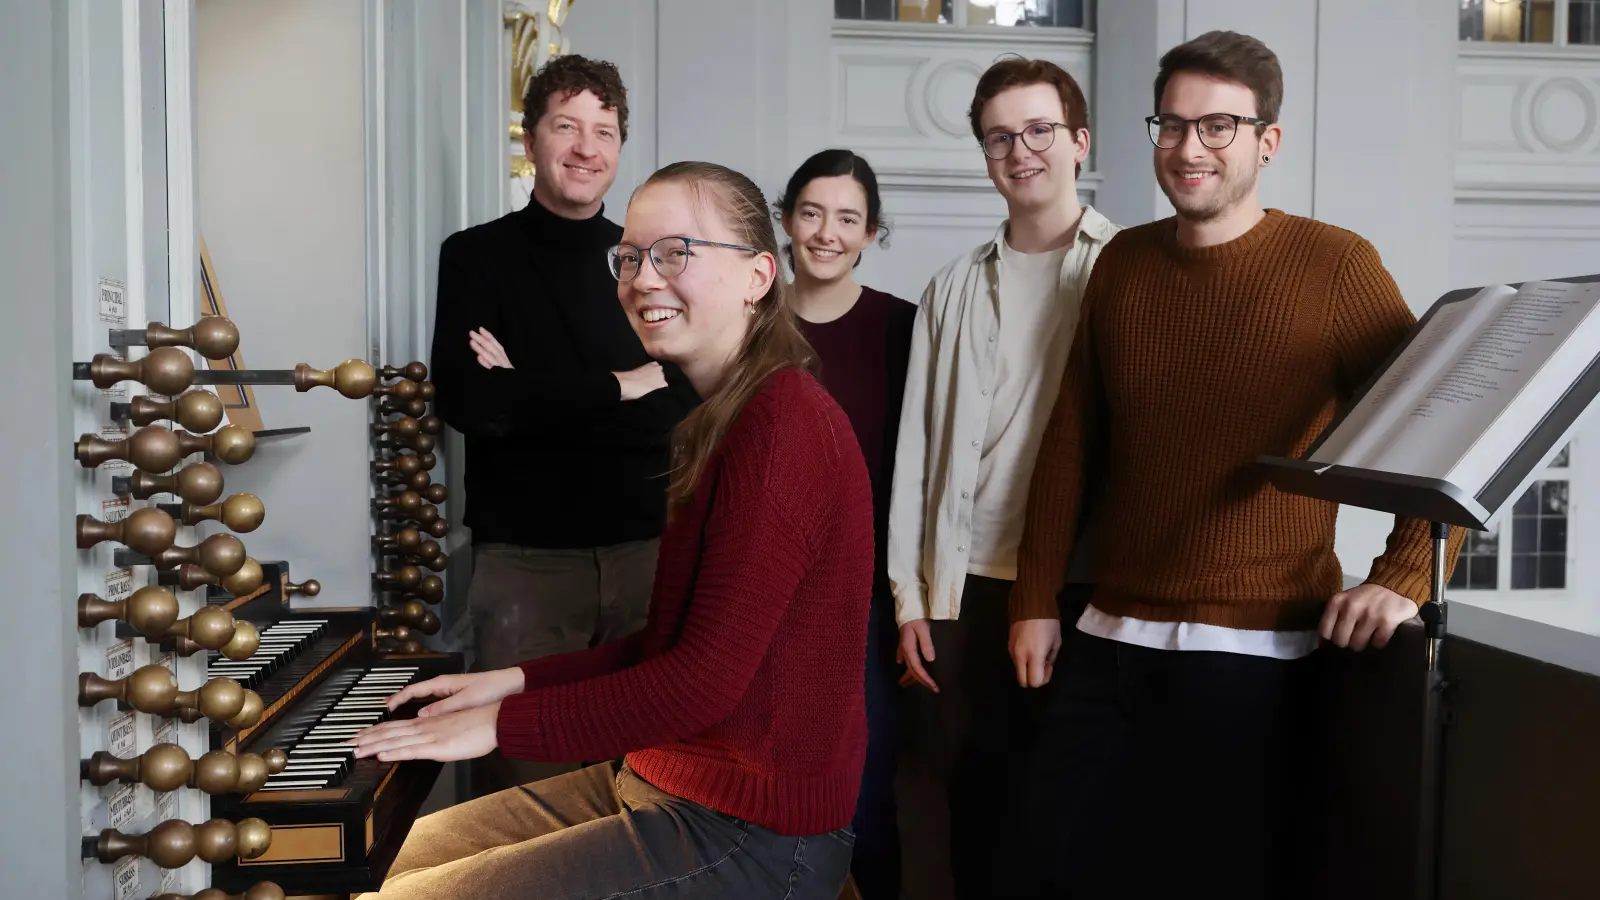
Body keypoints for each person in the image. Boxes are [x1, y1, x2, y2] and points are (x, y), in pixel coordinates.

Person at [1003, 30, 1467, 899]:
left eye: (1218, 126)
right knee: (1045, 866)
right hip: (1107, 636)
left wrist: (1404, 575)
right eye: (1172, 125)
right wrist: (1034, 600)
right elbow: (1072, 439)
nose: (1189, 148)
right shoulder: (1123, 263)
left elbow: (1441, 427)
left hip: (1255, 653)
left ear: (1267, 142)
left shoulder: (1336, 264)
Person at [350, 160, 875, 900]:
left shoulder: (783, 425)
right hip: (663, 780)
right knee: (381, 857)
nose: (641, 278)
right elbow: (674, 645)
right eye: (629, 257)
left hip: (753, 834)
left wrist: (500, 723)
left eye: (674, 253)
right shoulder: (722, 417)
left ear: (758, 275)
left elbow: (698, 684)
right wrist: (512, 679)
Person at [427, 55, 699, 795]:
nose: (586, 147)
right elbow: (474, 406)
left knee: (643, 784)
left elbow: (677, 410)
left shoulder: (647, 263)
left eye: (603, 130)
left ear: (619, 146)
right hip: (523, 566)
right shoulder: (476, 257)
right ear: (530, 140)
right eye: (567, 126)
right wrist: (619, 385)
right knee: (522, 791)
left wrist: (528, 390)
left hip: (647, 553)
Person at [884, 57, 1122, 898]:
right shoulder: (950, 288)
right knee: (971, 807)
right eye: (999, 137)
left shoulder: (1125, 270)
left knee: (1068, 813)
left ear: (1077, 142)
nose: (1020, 151)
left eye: (1038, 131)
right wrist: (914, 601)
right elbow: (916, 450)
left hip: (1081, 585)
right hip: (967, 584)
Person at [776, 148, 916, 900]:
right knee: (760, 791)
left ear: (870, 233)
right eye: (811, 213)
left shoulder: (903, 328)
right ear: (787, 221)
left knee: (866, 794)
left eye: (848, 218)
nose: (827, 233)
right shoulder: (748, 324)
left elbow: (924, 471)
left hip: (863, 600)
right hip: (761, 594)